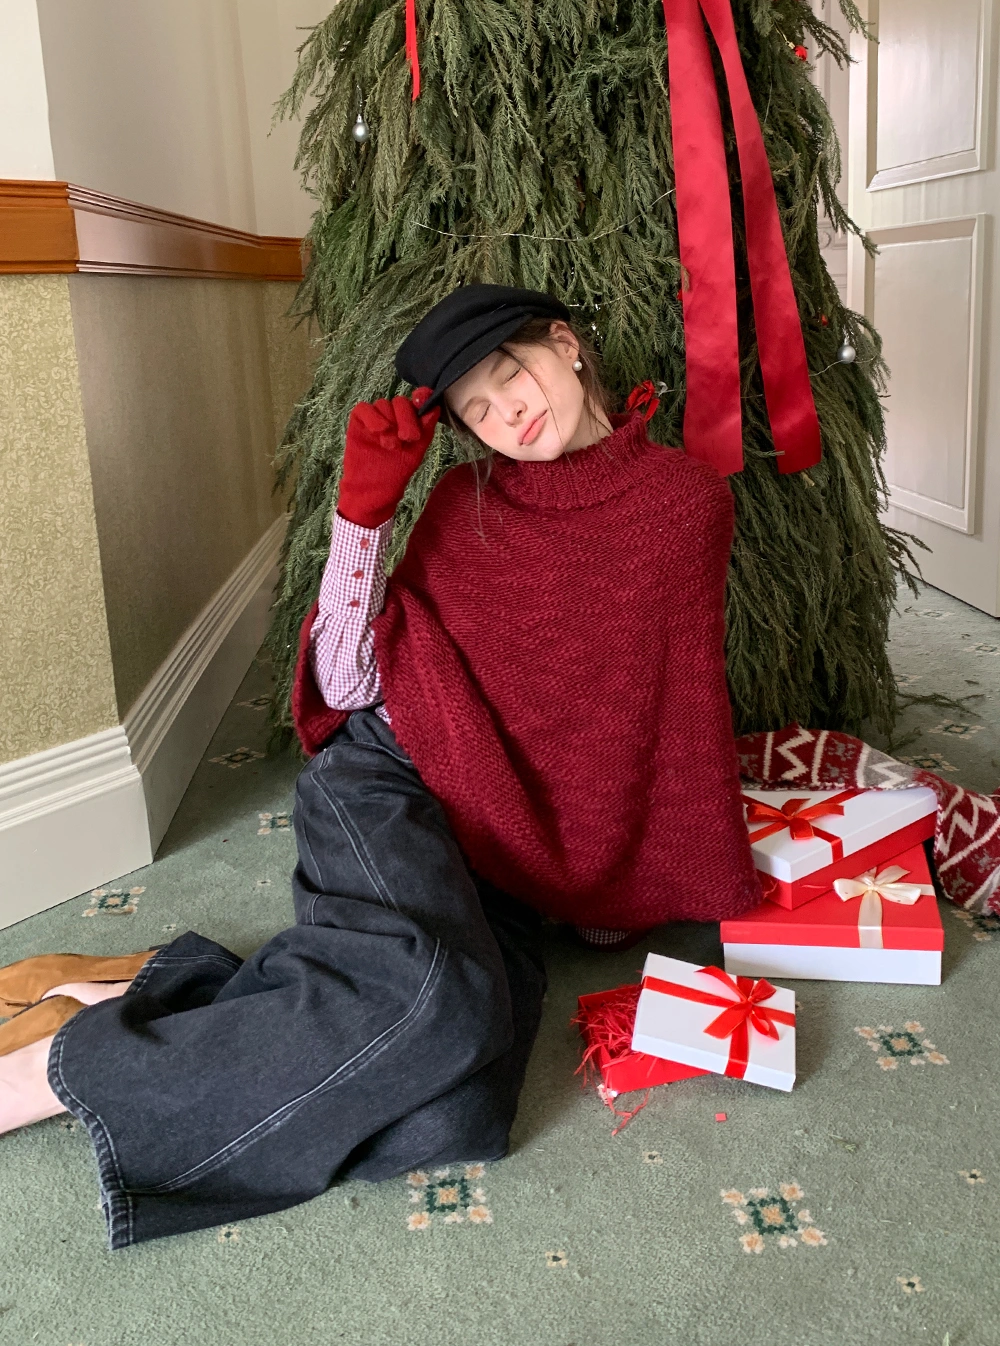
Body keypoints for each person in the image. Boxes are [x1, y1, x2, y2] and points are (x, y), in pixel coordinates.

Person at [0, 284, 761, 1249]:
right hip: (391, 774)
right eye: (477, 409)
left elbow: (662, 707)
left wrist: (615, 873)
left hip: (513, 840)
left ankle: (150, 989)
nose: (509, 413)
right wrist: (364, 516)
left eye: (513, 372)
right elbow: (350, 678)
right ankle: (54, 1067)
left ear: (567, 346)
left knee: (456, 1117)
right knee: (434, 1000)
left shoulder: (684, 503)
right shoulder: (460, 501)